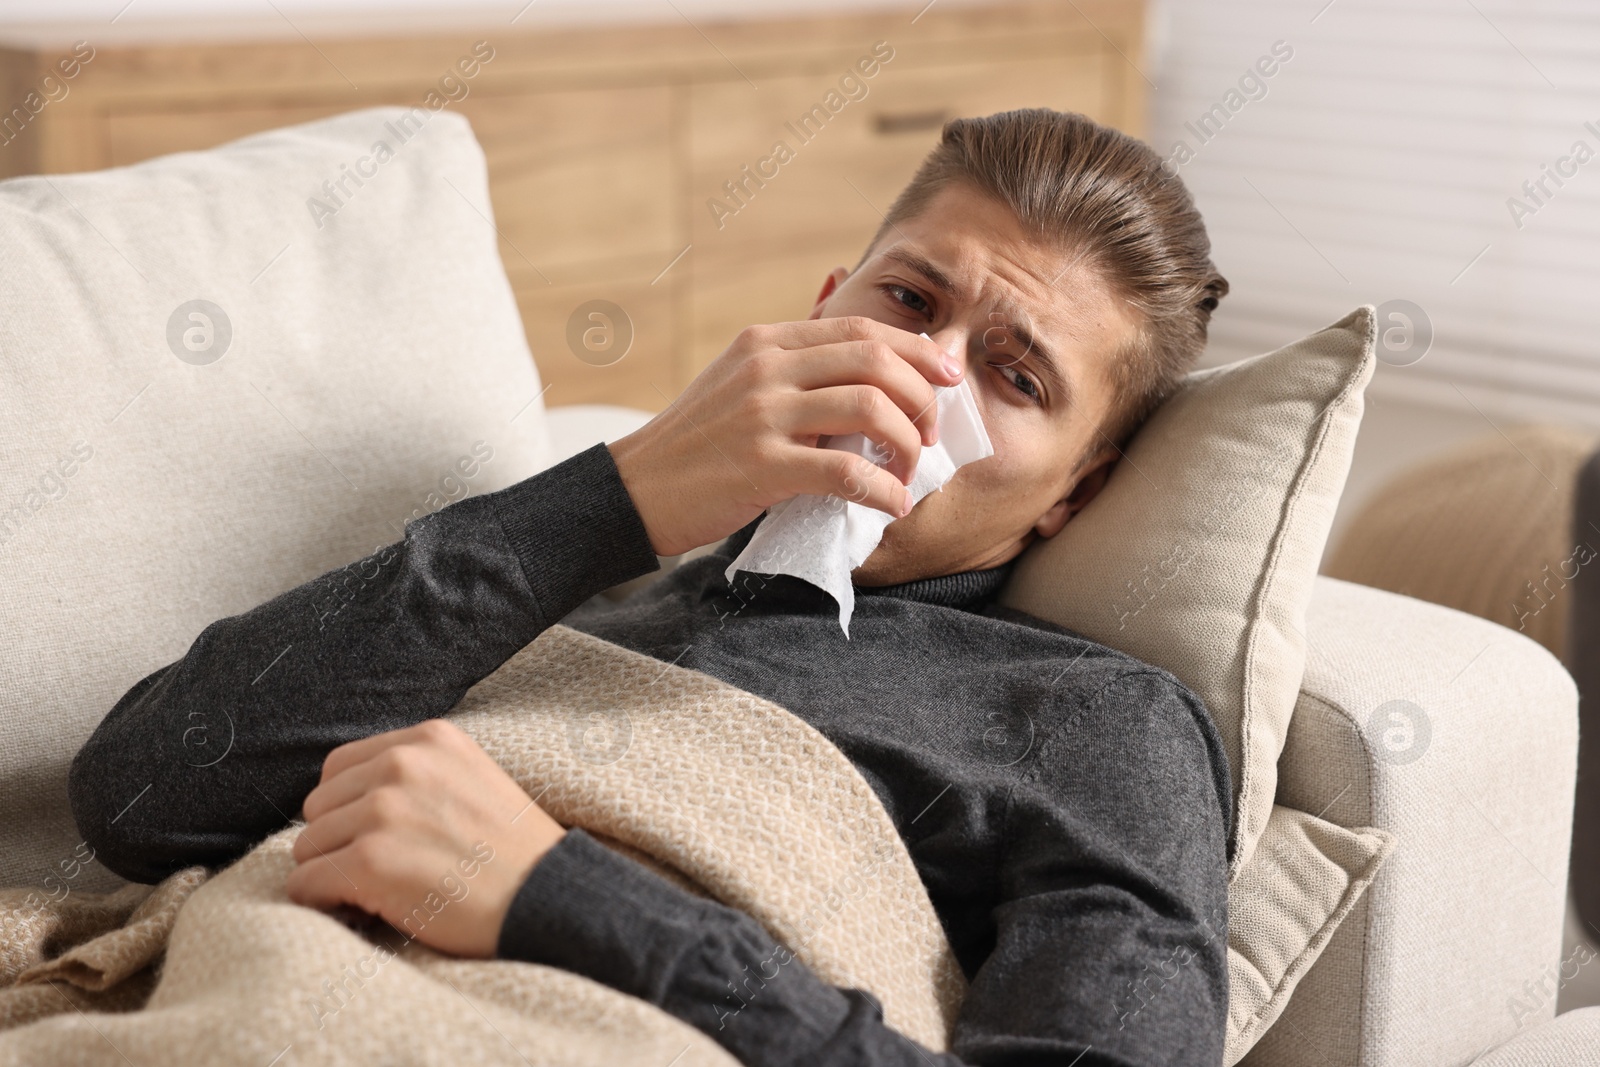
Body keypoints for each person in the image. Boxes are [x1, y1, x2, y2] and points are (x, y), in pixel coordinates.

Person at [70, 108, 1234, 1066]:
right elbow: (136, 796)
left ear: (1073, 493)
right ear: (825, 305)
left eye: (1014, 373)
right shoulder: (569, 579)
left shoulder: (1093, 719)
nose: (926, 376)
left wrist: (554, 894)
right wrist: (618, 494)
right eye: (911, 302)